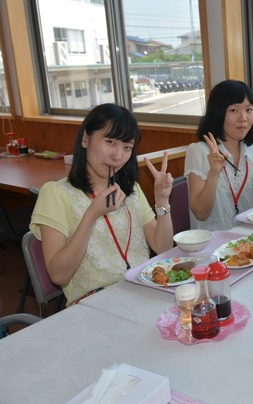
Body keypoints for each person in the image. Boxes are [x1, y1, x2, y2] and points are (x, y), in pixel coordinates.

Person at [30, 103, 174, 306]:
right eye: (110, 142)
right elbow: (58, 275)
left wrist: (162, 200)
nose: (118, 156)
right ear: (85, 139)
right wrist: (92, 214)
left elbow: (163, 247)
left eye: (127, 147)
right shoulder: (56, 193)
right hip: (94, 305)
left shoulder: (130, 189)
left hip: (142, 294)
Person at [184, 79, 253, 231]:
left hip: (248, 238)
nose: (243, 118)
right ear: (218, 113)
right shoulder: (199, 151)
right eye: (234, 110)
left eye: (249, 110)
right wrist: (214, 174)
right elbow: (201, 214)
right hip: (213, 244)